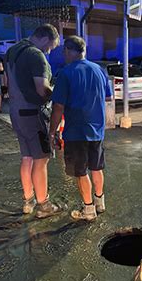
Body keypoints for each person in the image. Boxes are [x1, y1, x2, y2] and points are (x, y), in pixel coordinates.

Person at [49, 36, 111, 221]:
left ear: (68, 50)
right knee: (96, 167)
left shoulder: (66, 73)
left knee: (81, 171)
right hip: (97, 130)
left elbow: (58, 107)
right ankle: (99, 203)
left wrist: (52, 132)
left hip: (76, 131)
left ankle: (88, 210)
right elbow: (107, 98)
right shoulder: (99, 70)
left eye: (64, 51)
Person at [5, 24, 60, 218]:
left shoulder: (12, 51)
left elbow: (8, 83)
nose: (50, 51)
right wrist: (58, 94)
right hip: (32, 114)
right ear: (45, 39)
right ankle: (44, 205)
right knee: (41, 159)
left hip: (15, 111)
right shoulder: (36, 55)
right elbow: (42, 89)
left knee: (27, 157)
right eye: (51, 46)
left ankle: (28, 201)